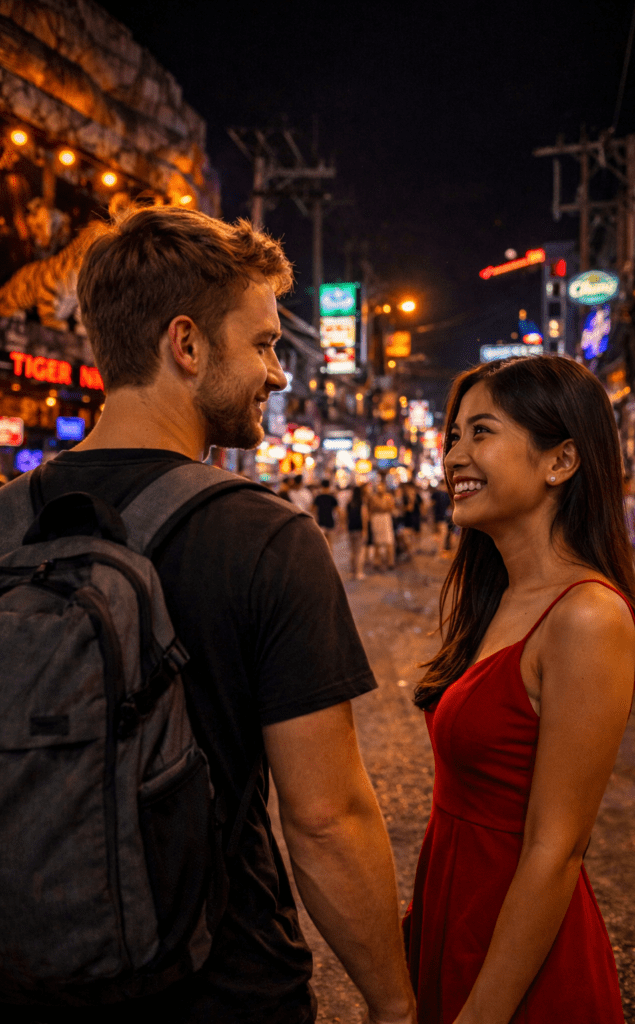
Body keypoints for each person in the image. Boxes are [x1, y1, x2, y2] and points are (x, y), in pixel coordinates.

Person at [1, 206, 415, 1024]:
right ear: (185, 345)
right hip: (218, 987)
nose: (279, 372)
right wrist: (394, 1002)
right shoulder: (267, 538)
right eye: (262, 343)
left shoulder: (6, 521)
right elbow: (325, 817)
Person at [404, 355, 635, 1024]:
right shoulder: (501, 596)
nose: (453, 455)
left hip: (518, 968)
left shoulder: (586, 616)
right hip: (456, 921)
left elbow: (556, 847)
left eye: (479, 432)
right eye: (452, 435)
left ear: (560, 461)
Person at [368, 479, 396, 571]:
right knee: (377, 542)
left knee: (389, 541)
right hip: (377, 519)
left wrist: (382, 507)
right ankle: (377, 561)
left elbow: (390, 507)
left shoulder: (388, 497)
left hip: (385, 519)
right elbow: (372, 508)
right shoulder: (373, 497)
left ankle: (390, 561)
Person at [346, 483, 369, 579]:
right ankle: (359, 572)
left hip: (351, 529)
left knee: (352, 551)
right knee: (359, 552)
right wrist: (365, 530)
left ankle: (352, 572)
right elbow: (364, 517)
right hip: (359, 529)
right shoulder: (361, 503)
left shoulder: (349, 503)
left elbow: (346, 516)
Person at [312, 478, 338, 546]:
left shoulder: (318, 497)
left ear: (322, 486)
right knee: (330, 543)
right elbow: (338, 511)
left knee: (322, 543)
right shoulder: (332, 498)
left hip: (321, 521)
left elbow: (312, 509)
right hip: (330, 521)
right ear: (329, 486)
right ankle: (330, 555)